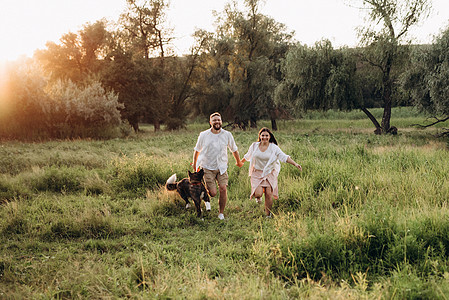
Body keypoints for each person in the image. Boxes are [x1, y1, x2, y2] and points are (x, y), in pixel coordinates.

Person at [239, 127, 302, 217]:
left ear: (270, 137)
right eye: (263, 135)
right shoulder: (254, 146)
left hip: (269, 173)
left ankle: (268, 215)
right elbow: (247, 156)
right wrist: (240, 162)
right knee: (258, 193)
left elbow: (284, 157)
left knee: (269, 194)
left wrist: (295, 164)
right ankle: (259, 197)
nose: (264, 137)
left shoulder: (274, 147)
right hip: (257, 172)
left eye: (266, 136)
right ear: (260, 136)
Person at [193, 112, 242, 220]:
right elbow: (197, 151)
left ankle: (221, 213)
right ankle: (206, 193)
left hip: (222, 167)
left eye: (219, 120)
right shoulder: (204, 135)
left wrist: (238, 162)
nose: (217, 122)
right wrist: (195, 165)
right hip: (207, 167)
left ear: (221, 121)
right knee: (213, 193)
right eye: (214, 120)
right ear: (210, 122)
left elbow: (234, 150)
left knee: (223, 189)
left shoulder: (227, 135)